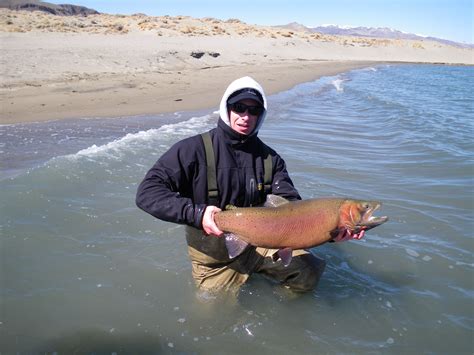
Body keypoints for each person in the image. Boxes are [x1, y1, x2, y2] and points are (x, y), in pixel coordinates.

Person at [136, 76, 358, 293]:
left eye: (254, 110)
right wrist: (196, 214)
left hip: (262, 245)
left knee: (309, 272)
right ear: (227, 108)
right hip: (214, 260)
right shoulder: (191, 150)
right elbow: (147, 193)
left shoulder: (271, 160)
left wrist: (328, 231)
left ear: (261, 115)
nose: (245, 116)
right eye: (239, 107)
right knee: (216, 316)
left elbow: (293, 209)